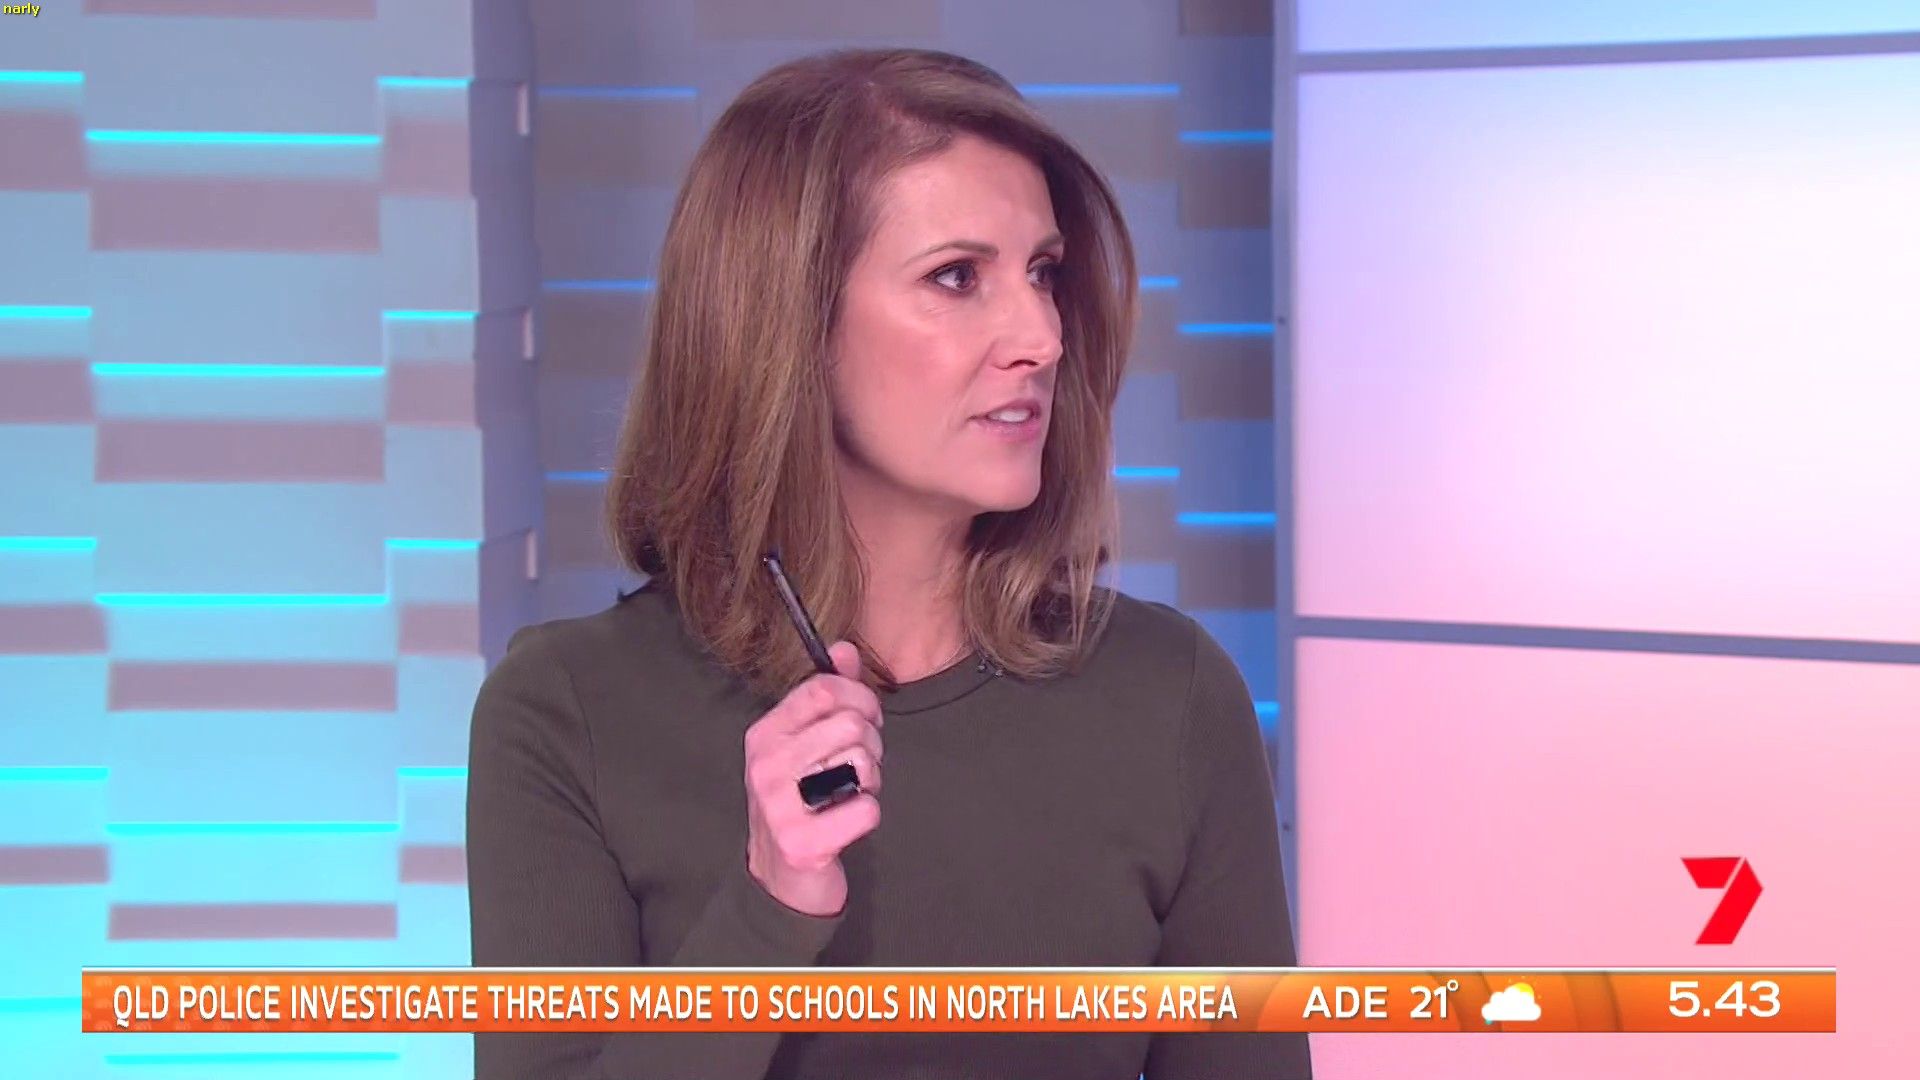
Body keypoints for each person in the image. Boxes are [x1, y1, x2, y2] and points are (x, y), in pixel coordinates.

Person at [466, 46, 1311, 1080]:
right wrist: (768, 910)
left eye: (1043, 274)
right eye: (957, 277)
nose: (1042, 337)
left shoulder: (1171, 697)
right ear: (786, 326)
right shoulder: (566, 713)